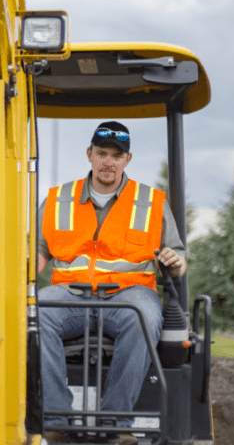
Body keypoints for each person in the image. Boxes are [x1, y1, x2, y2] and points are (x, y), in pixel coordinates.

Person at [37, 121, 187, 445]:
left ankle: (116, 423)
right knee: (36, 312)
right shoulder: (57, 199)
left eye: (116, 155)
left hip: (130, 295)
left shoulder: (151, 202)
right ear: (89, 154)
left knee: (144, 318)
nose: (108, 161)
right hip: (70, 294)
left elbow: (177, 255)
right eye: (102, 153)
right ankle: (55, 419)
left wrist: (176, 262)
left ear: (127, 160)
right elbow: (37, 252)